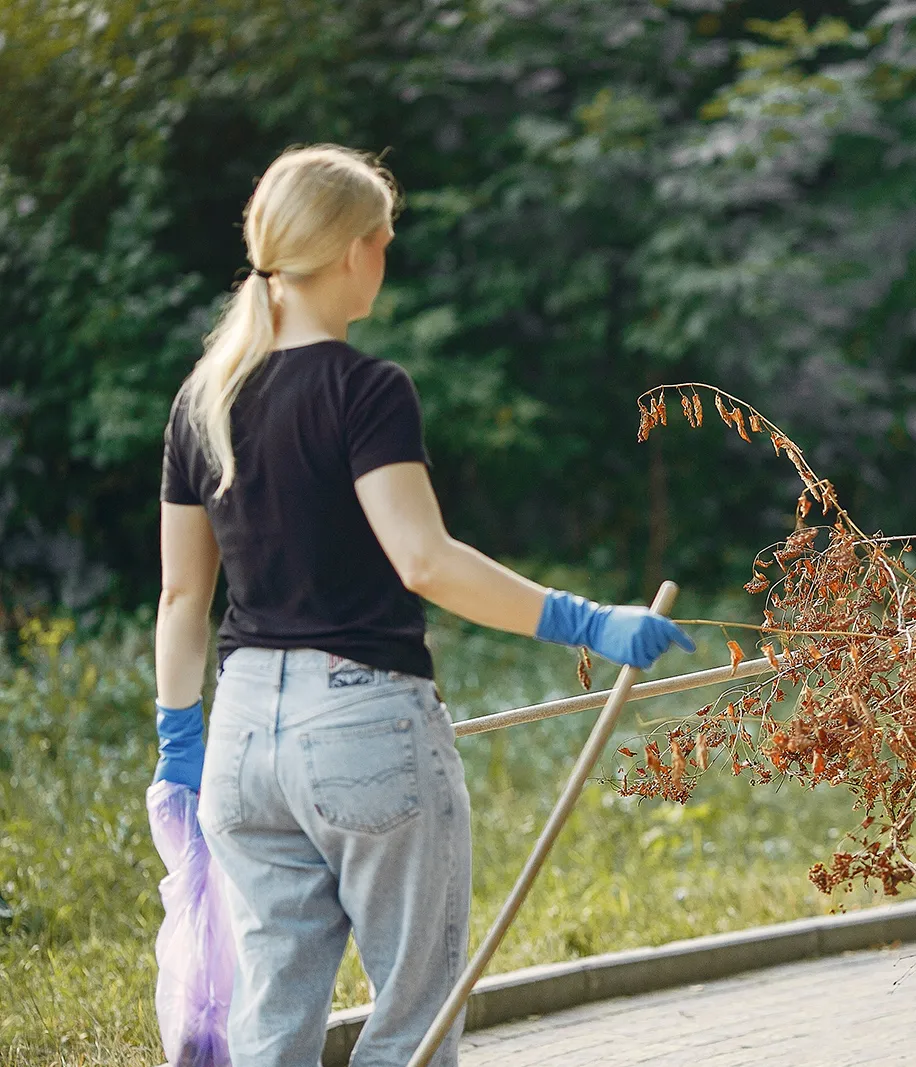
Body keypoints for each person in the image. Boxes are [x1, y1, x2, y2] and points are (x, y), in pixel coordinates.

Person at [153, 144, 694, 1067]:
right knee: (412, 1024)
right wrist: (586, 621)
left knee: (269, 1025)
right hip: (363, 726)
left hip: (240, 741)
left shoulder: (204, 400)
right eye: (384, 240)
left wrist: (178, 738)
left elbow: (180, 596)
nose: (386, 258)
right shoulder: (367, 391)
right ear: (355, 249)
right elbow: (424, 560)